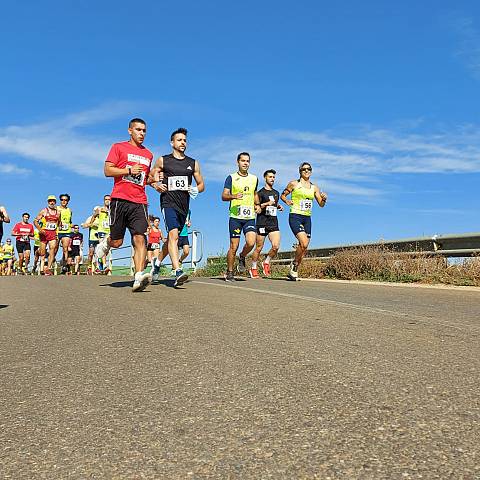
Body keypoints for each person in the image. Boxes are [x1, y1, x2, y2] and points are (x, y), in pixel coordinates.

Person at [95, 118, 154, 292]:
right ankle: (107, 242)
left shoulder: (148, 154)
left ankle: (138, 276)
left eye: (144, 130)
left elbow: (144, 178)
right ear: (130, 130)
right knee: (117, 242)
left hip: (139, 201)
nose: (141, 133)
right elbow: (107, 170)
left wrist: (154, 182)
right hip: (120, 199)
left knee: (140, 238)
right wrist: (128, 170)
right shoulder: (118, 147)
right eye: (138, 130)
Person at [149, 127, 205, 287]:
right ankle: (177, 270)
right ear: (172, 142)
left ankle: (157, 263)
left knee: (171, 240)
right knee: (173, 235)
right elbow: (150, 177)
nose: (183, 143)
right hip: (168, 203)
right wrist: (156, 185)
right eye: (179, 140)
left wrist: (195, 189)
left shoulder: (192, 163)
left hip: (184, 206)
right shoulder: (163, 160)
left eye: (185, 140)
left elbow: (201, 185)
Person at [280, 162, 327, 280]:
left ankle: (294, 266)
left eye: (309, 169)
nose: (306, 171)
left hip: (307, 218)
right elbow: (283, 195)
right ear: (300, 171)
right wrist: (287, 201)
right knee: (304, 242)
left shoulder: (314, 187)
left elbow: (321, 204)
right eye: (304, 169)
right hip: (295, 216)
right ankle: (295, 266)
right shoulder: (294, 184)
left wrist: (324, 199)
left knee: (304, 247)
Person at [221, 152, 259, 281]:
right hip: (235, 216)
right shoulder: (231, 178)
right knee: (233, 246)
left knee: (251, 242)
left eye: (247, 161)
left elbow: (255, 194)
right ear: (238, 162)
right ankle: (230, 271)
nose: (245, 163)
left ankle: (242, 256)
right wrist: (234, 196)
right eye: (243, 161)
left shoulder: (254, 178)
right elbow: (224, 196)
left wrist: (257, 204)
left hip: (249, 217)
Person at [250, 169, 283, 278]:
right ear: (265, 178)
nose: (272, 179)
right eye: (270, 177)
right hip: (262, 223)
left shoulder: (276, 193)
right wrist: (266, 204)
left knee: (276, 246)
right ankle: (253, 267)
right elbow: (256, 207)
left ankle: (266, 262)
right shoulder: (260, 193)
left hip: (273, 222)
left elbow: (274, 205)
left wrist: (278, 206)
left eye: (273, 177)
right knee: (259, 247)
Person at [34, 195, 60, 275]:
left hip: (52, 233)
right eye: (50, 201)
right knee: (42, 252)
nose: (51, 202)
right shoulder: (44, 211)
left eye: (53, 201)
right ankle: (39, 260)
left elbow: (59, 222)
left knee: (52, 249)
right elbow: (35, 221)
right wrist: (40, 229)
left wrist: (57, 229)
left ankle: (48, 268)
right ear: (48, 202)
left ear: (55, 202)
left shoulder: (58, 212)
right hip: (44, 233)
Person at [90, 195, 111, 272]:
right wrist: (91, 224)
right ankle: (103, 266)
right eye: (106, 199)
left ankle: (98, 263)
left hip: (109, 231)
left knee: (107, 249)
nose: (107, 201)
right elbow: (94, 216)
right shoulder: (100, 209)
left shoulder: (112, 210)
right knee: (102, 247)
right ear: (103, 200)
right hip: (102, 231)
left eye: (109, 199)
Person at [56, 194, 73, 274]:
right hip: (57, 231)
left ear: (68, 201)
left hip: (66, 231)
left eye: (65, 200)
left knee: (65, 249)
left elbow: (70, 221)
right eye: (62, 199)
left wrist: (71, 225)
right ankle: (50, 265)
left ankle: (65, 266)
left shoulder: (69, 210)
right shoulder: (56, 208)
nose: (64, 201)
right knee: (54, 249)